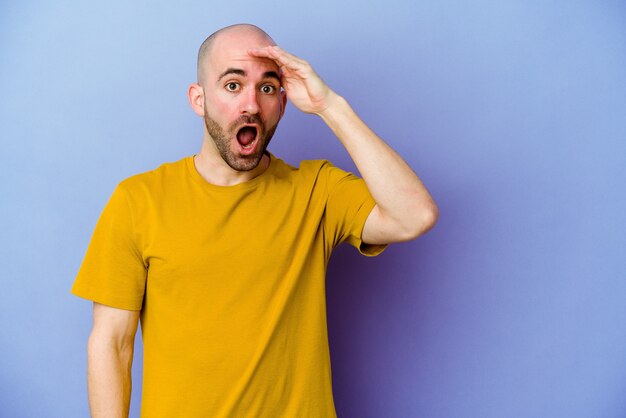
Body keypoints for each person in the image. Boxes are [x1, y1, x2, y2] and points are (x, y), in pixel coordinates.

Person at [72, 23, 438, 418]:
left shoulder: (317, 191)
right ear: (199, 99)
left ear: (282, 103)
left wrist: (330, 106)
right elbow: (111, 343)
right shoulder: (138, 200)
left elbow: (414, 215)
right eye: (232, 85)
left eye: (266, 88)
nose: (250, 105)